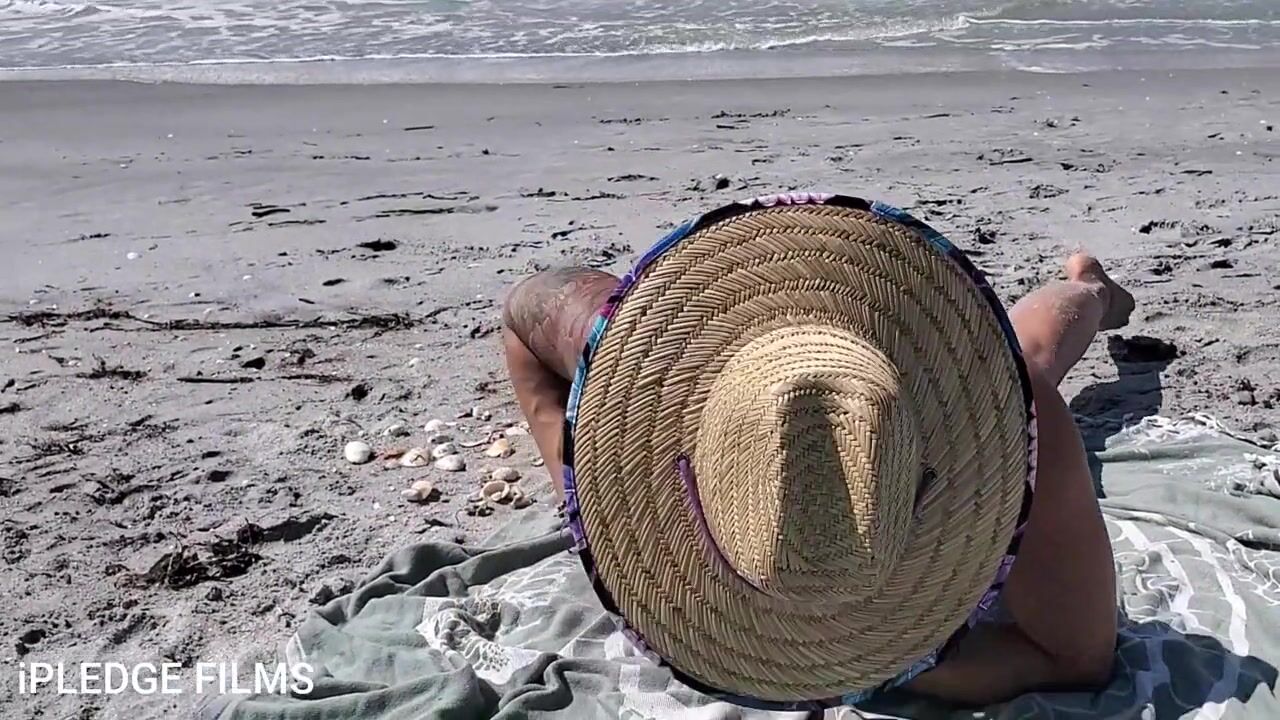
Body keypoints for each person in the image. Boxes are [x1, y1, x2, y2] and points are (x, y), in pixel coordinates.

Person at [501, 194, 1128, 708]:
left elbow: (1078, 661)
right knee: (1030, 355)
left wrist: (869, 668)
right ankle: (1086, 286)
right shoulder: (629, 390)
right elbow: (525, 312)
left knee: (1029, 366)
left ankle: (1091, 291)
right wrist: (581, 487)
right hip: (747, 400)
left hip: (900, 387)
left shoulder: (1014, 413)